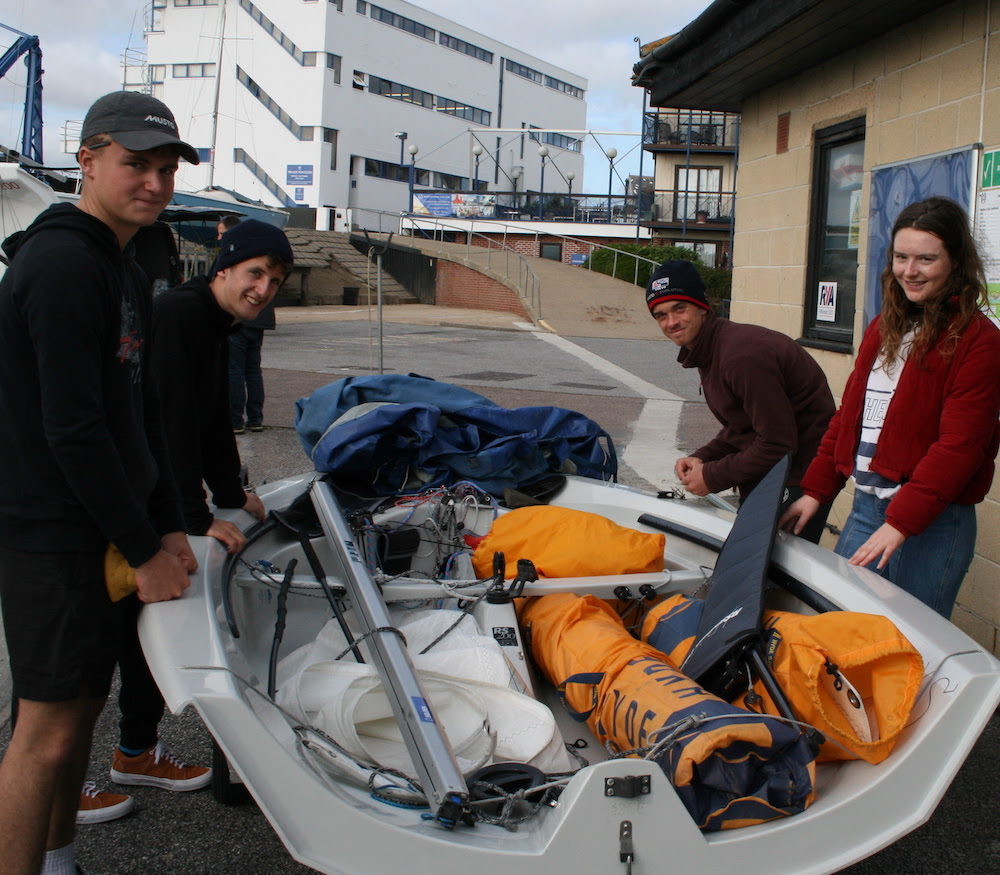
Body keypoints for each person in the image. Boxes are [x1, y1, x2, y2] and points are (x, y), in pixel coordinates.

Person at [0, 91, 198, 875]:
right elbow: (73, 430)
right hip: (52, 532)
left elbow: (139, 408)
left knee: (81, 711)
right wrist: (142, 547)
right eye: (134, 165)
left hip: (98, 527)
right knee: (43, 733)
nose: (152, 182)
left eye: (164, 168)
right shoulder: (59, 264)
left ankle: (58, 861)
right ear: (87, 161)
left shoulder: (121, 261)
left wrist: (170, 520)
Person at [781, 197, 1000, 617]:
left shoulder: (978, 339)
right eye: (901, 256)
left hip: (931, 524)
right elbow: (849, 419)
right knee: (841, 625)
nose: (909, 270)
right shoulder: (884, 327)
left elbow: (961, 446)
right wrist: (816, 490)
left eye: (926, 259)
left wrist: (900, 523)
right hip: (867, 509)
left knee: (911, 648)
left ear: (955, 262)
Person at [647, 260, 836, 542]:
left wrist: (712, 476)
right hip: (776, 470)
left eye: (679, 308)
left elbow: (777, 444)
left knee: (770, 574)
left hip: (800, 475)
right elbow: (744, 427)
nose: (671, 322)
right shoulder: (711, 348)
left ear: (702, 306)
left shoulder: (741, 356)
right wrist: (703, 457)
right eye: (660, 315)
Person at [151, 218, 293, 552]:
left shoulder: (216, 322)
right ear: (224, 269)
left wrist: (230, 492)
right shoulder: (180, 314)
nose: (263, 290)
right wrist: (194, 517)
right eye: (255, 273)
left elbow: (213, 419)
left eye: (274, 281)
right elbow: (172, 423)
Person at [220, 216, 280, 434]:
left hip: (241, 322)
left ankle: (235, 420)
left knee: (235, 370)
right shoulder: (265, 255)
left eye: (220, 233)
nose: (218, 238)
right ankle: (255, 418)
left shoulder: (237, 257)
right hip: (259, 322)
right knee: (253, 370)